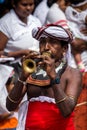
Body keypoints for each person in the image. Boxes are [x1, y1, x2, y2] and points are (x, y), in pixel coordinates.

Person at [6, 24, 82, 130]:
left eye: (53, 42)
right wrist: (22, 77)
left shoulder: (73, 73)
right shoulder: (32, 70)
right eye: (42, 42)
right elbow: (10, 106)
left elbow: (66, 111)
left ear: (64, 49)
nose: (46, 47)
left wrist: (53, 77)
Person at [0, 0, 41, 83]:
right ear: (14, 3)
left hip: (35, 68)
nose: (28, 8)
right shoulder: (5, 23)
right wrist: (21, 53)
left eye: (31, 4)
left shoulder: (36, 21)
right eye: (24, 5)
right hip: (12, 70)